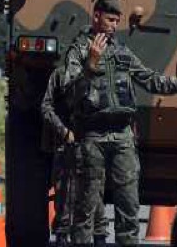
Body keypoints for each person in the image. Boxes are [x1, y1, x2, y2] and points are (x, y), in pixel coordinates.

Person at [66, 0, 177, 246]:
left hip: (123, 136)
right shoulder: (79, 50)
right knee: (85, 208)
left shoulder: (121, 52)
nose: (113, 25)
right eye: (110, 19)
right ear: (96, 16)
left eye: (117, 21)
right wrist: (90, 64)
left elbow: (151, 80)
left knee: (128, 206)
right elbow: (69, 93)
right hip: (92, 137)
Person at [42, 65, 108, 247]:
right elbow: (46, 107)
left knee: (94, 189)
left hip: (93, 141)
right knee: (64, 189)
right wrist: (63, 132)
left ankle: (99, 233)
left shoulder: (104, 73)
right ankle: (63, 233)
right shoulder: (61, 74)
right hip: (67, 141)